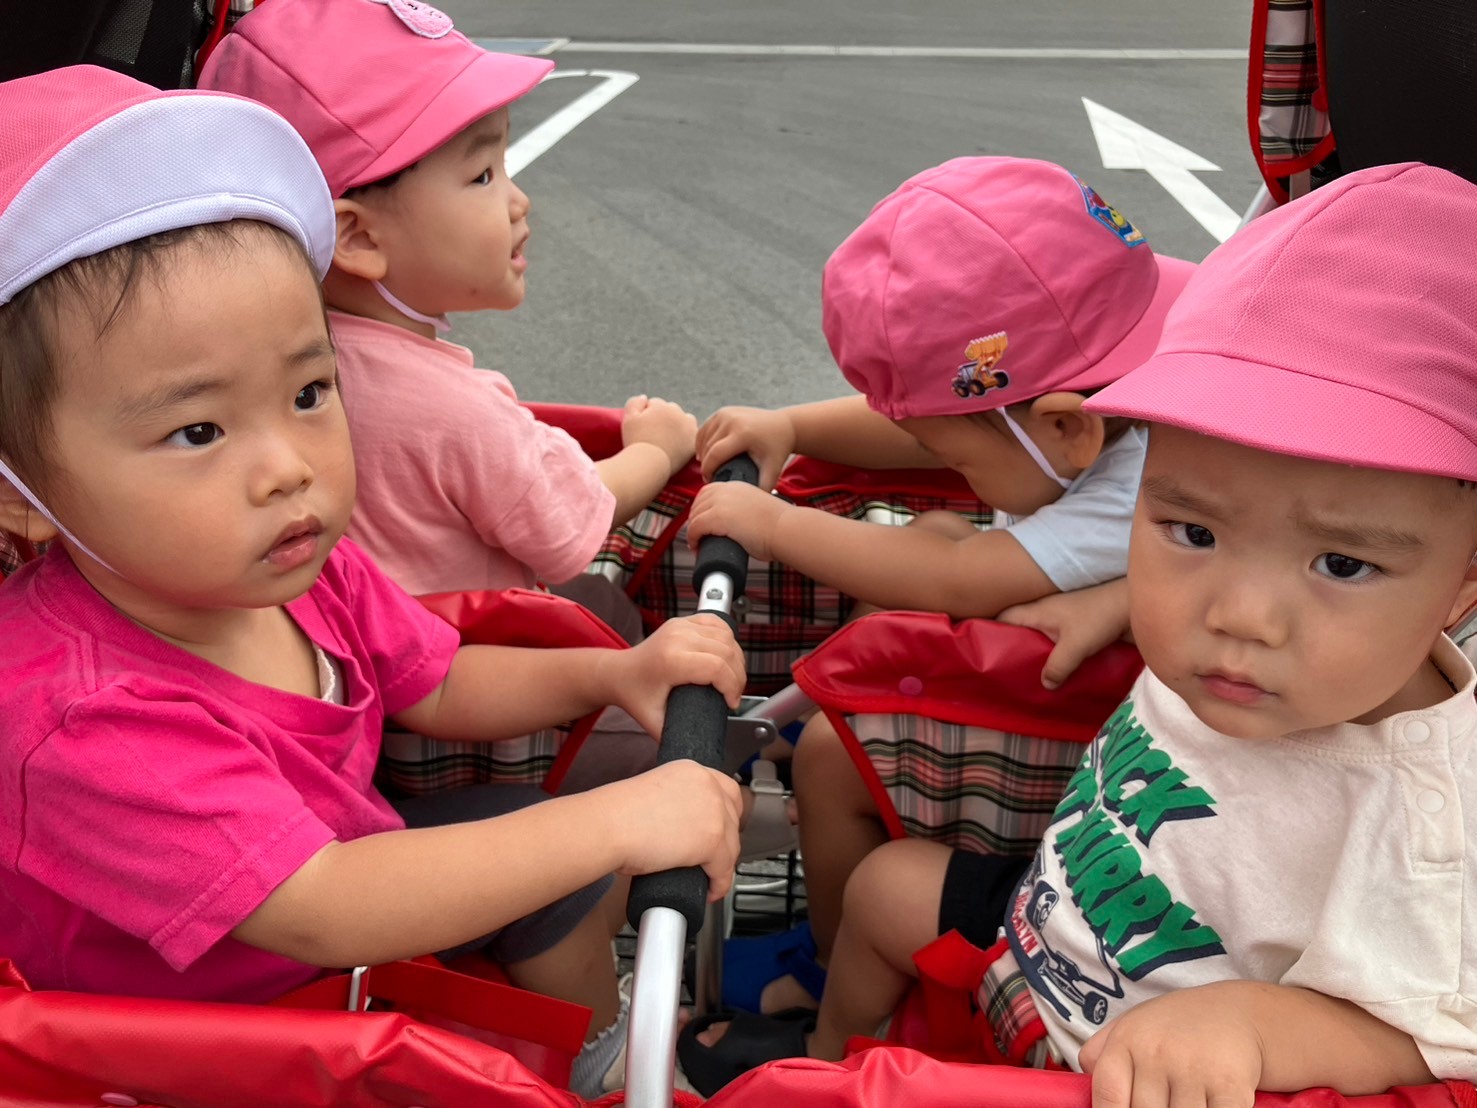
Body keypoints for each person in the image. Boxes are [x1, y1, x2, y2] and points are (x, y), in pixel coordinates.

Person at [0, 67, 743, 1100]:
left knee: (540, 850)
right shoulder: (81, 714)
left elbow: (437, 678)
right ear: (23, 498)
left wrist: (613, 674)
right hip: (207, 1050)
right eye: (199, 430)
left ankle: (595, 1053)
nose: (287, 467)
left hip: (337, 949)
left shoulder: (292, 572)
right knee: (568, 839)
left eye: (309, 392)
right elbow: (322, 901)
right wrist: (619, 821)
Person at [678, 161, 1477, 1108]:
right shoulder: (1257, 654)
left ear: (1463, 582)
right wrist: (1117, 600)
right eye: (1192, 533)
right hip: (1053, 926)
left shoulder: (1427, 818)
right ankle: (827, 1048)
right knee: (886, 884)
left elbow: (1443, 1026)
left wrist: (1250, 1024)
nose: (1236, 615)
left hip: (1114, 1063)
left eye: (1341, 565)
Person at [689, 155, 1195, 1015]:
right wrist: (793, 426)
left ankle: (830, 964)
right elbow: (934, 429)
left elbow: (961, 580)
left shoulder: (1138, 488)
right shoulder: (1119, 384)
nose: (937, 460)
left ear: (1064, 427)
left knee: (830, 757)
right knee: (930, 529)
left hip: (1097, 733)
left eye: (949, 458)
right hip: (1069, 683)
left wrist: (771, 525)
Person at [197, 0, 696, 610]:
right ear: (359, 237)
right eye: (483, 175)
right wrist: (656, 448)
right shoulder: (450, 410)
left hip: (364, 647)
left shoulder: (281, 379)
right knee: (610, 608)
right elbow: (569, 523)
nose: (519, 201)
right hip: (473, 655)